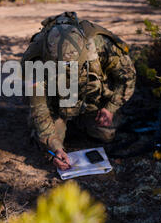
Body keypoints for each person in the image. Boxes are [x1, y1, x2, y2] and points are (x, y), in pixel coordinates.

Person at [21, 12, 136, 171]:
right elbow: (40, 109)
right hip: (56, 105)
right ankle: (65, 124)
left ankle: (80, 121)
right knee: (48, 148)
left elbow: (127, 77)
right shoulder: (35, 59)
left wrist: (110, 109)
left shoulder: (101, 45)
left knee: (106, 134)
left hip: (91, 100)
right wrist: (55, 148)